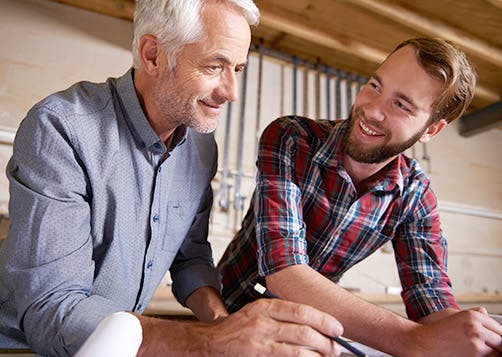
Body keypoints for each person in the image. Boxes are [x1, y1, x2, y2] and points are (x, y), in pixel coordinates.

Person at [0, 0, 344, 356]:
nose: (232, 92)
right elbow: (52, 306)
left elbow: (189, 256)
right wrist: (209, 343)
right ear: (153, 56)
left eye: (237, 69)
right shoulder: (62, 129)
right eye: (214, 66)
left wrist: (221, 324)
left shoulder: (200, 146)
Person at [218, 37, 502, 356]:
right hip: (225, 312)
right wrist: (414, 340)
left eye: (401, 104)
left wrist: (476, 337)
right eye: (374, 86)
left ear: (431, 130)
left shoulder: (414, 193)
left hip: (307, 330)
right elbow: (284, 273)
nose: (372, 109)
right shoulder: (292, 138)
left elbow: (430, 299)